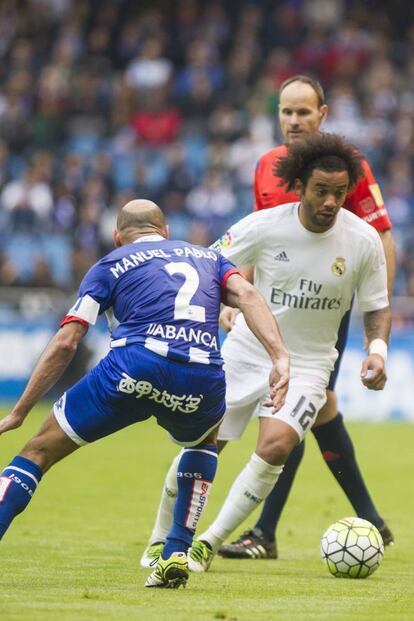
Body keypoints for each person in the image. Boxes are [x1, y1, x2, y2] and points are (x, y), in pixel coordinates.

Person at [0, 199, 289, 589]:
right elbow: (249, 297)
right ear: (166, 231)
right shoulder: (210, 258)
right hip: (200, 375)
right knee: (204, 442)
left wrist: (20, 411)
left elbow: (68, 341)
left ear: (119, 237)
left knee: (36, 452)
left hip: (133, 368)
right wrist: (279, 356)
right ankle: (175, 551)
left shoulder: (110, 264)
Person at [141, 133, 391, 574]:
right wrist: (218, 306)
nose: (331, 201)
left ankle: (207, 544)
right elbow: (207, 265)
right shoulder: (264, 225)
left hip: (310, 364)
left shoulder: (364, 240)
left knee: (276, 446)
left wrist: (377, 350)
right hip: (247, 351)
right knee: (203, 443)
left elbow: (376, 307)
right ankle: (160, 539)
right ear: (299, 185)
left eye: (339, 192)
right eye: (321, 191)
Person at [215, 74, 395, 559]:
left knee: (297, 409)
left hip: (324, 313)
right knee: (320, 409)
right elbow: (258, 240)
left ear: (323, 114)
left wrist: (377, 323)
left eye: (303, 112)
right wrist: (240, 299)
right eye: (286, 112)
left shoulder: (345, 169)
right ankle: (373, 519)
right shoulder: (266, 166)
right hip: (271, 312)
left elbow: (379, 239)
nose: (294, 121)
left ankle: (264, 533)